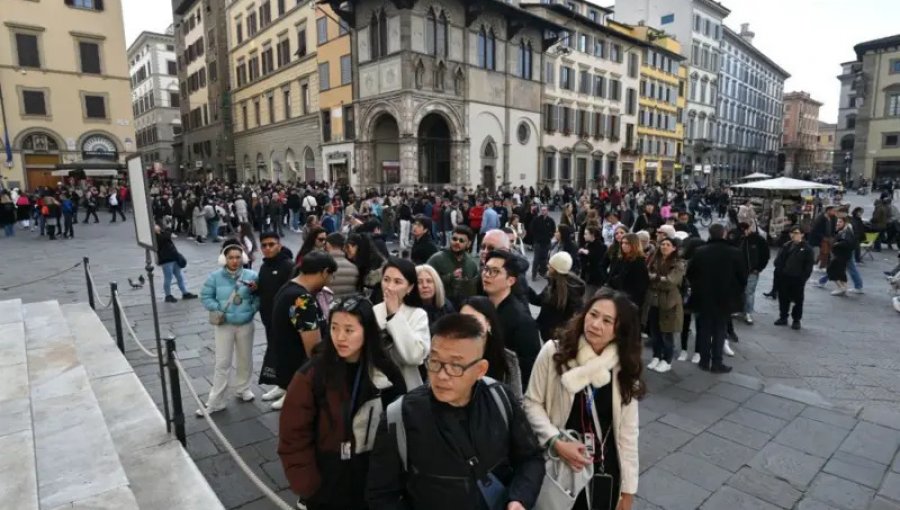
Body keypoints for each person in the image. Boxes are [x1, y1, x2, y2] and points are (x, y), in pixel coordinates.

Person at [366, 314, 545, 510]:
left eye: (456, 366)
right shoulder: (400, 416)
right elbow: (381, 495)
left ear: (480, 369)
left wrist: (519, 499)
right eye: (434, 362)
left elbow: (530, 458)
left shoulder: (500, 399)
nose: (442, 375)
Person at [278, 296, 406, 510]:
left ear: (367, 331)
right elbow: (293, 434)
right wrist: (307, 484)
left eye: (349, 330)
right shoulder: (313, 374)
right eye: (334, 328)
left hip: (372, 475)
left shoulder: (385, 370)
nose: (340, 337)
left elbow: (400, 423)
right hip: (327, 478)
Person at [523, 290, 643, 510]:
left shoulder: (624, 366)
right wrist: (555, 441)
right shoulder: (555, 352)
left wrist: (628, 489)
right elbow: (531, 402)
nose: (596, 324)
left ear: (621, 329)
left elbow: (628, 431)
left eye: (607, 321)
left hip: (604, 467)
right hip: (560, 463)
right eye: (593, 314)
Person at [270, 251, 338, 411]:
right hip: (301, 372)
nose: (330, 281)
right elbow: (313, 348)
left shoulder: (288, 288)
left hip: (287, 367)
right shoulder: (302, 299)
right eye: (331, 276)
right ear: (324, 272)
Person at [197, 244, 260, 416]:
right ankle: (216, 400)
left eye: (238, 257)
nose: (234, 261)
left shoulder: (252, 276)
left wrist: (252, 308)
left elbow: (259, 296)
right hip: (224, 324)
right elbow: (205, 296)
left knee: (245, 358)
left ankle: (243, 388)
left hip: (246, 323)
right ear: (225, 259)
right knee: (222, 362)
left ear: (243, 258)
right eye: (231, 257)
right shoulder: (215, 277)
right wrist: (218, 308)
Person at [686, 224, 747, 374]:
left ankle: (704, 360)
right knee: (720, 329)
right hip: (725, 298)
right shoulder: (734, 252)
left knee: (705, 329)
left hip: (704, 297)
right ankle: (717, 362)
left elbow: (690, 273)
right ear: (724, 234)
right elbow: (743, 277)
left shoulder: (700, 252)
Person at [482, 250, 542, 387]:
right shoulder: (482, 307)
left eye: (495, 271)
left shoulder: (522, 321)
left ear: (511, 280)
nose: (486, 275)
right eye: (486, 269)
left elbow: (528, 370)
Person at [373, 257, 431, 390]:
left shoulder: (418, 315)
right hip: (377, 387)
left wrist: (394, 315)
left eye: (397, 282)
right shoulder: (373, 311)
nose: (389, 287)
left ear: (410, 287)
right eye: (386, 280)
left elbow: (414, 356)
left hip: (407, 386)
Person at [256, 232, 296, 403]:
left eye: (271, 244)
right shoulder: (264, 267)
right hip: (268, 319)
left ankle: (291, 391)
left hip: (285, 320)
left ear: (279, 245)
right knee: (276, 353)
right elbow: (265, 290)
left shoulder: (288, 266)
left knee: (289, 355)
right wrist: (255, 288)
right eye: (264, 245)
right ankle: (281, 385)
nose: (267, 248)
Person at [459, 296, 523, 399]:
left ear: (488, 323)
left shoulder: (508, 359)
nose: (467, 325)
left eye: (473, 320)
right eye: (462, 320)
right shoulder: (448, 355)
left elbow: (516, 400)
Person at [644, 236, 685, 374]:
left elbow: (670, 282)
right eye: (662, 244)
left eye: (668, 244)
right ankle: (656, 356)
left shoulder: (678, 263)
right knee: (655, 333)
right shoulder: (655, 259)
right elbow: (647, 275)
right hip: (654, 300)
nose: (664, 247)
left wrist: (655, 278)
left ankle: (667, 360)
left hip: (669, 302)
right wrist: (657, 278)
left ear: (674, 248)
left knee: (667, 333)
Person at [528, 252, 585, 342]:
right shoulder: (553, 283)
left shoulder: (571, 290)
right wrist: (526, 289)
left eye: (550, 266)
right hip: (548, 331)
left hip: (557, 335)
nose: (547, 266)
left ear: (555, 269)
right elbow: (538, 300)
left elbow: (578, 313)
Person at [426, 225, 480, 307]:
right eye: (454, 239)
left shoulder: (471, 263)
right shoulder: (436, 259)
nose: (457, 242)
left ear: (468, 244)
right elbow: (426, 281)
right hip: (440, 306)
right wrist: (450, 277)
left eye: (461, 241)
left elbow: (474, 289)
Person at [773, 226, 815, 330]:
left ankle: (796, 320)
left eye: (796, 233)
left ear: (802, 234)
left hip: (797, 278)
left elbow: (808, 266)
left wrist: (803, 278)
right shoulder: (786, 246)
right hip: (784, 276)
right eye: (792, 233)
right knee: (783, 298)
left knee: (798, 300)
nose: (793, 235)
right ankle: (783, 316)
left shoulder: (807, 249)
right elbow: (779, 260)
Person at [733, 221, 770, 324]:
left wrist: (758, 268)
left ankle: (748, 312)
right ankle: (740, 309)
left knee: (749, 292)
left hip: (752, 271)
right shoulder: (740, 239)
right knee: (740, 291)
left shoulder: (758, 240)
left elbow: (765, 255)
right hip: (740, 271)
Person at [606, 233, 650, 312]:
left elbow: (641, 285)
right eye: (622, 243)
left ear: (633, 244)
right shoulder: (620, 258)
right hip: (616, 294)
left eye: (627, 243)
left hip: (630, 299)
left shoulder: (638, 261)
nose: (623, 245)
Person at [155, 224, 198, 303]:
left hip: (174, 257)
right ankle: (168, 295)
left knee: (180, 276)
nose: (158, 226)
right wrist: (168, 228)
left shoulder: (161, 234)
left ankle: (185, 293)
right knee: (168, 278)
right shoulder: (156, 237)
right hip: (166, 260)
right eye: (155, 226)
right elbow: (166, 236)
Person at [822, 216, 855, 296]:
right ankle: (844, 288)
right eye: (837, 222)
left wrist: (836, 244)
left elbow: (847, 243)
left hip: (841, 255)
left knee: (831, 270)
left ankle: (841, 288)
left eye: (840, 222)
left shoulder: (846, 232)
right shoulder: (843, 231)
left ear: (845, 223)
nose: (838, 224)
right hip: (841, 255)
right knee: (840, 272)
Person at [325, 232, 359, 299]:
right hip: (346, 307)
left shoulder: (322, 265)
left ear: (328, 245)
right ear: (343, 246)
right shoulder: (354, 267)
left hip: (326, 306)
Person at [579, 225, 607, 299]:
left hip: (595, 277)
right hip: (587, 276)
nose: (584, 236)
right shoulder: (587, 244)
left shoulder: (601, 246)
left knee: (588, 298)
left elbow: (598, 259)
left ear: (592, 235)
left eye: (586, 234)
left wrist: (587, 253)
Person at [530, 206, 556, 279]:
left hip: (546, 243)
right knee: (536, 259)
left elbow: (553, 230)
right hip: (537, 243)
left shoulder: (550, 220)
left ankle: (543, 272)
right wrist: (536, 237)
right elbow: (531, 229)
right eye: (542, 210)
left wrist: (549, 237)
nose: (543, 211)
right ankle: (534, 274)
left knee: (544, 259)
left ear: (547, 211)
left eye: (544, 210)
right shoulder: (536, 219)